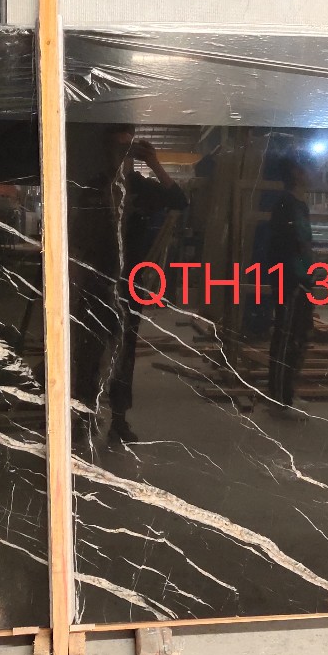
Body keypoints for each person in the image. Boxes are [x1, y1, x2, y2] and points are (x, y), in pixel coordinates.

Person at [109, 127, 189, 443]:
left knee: (124, 351)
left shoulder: (139, 187)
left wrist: (154, 163)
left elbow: (179, 201)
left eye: (128, 149)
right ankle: (80, 417)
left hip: (129, 283)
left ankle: (118, 419)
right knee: (90, 349)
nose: (123, 155)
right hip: (98, 279)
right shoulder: (100, 185)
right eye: (119, 148)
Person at [266, 158, 314, 418]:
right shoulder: (285, 205)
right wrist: (293, 277)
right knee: (286, 335)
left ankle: (287, 392)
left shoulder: (300, 205)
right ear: (296, 172)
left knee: (300, 334)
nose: (312, 173)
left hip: (302, 279)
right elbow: (284, 246)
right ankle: (278, 395)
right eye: (308, 168)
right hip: (289, 279)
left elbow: (304, 243)